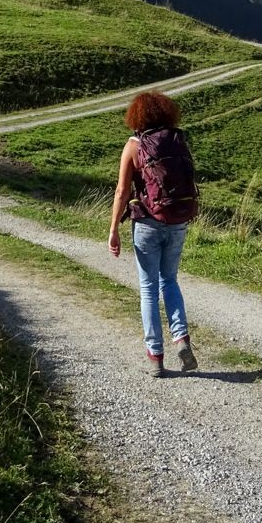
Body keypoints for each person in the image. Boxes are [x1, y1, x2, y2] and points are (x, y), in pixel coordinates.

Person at [107, 90, 200, 377]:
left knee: (148, 288)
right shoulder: (176, 140)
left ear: (136, 116)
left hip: (147, 224)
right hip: (177, 220)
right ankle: (181, 339)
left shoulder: (134, 146)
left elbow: (123, 191)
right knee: (169, 281)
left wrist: (113, 230)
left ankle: (156, 356)